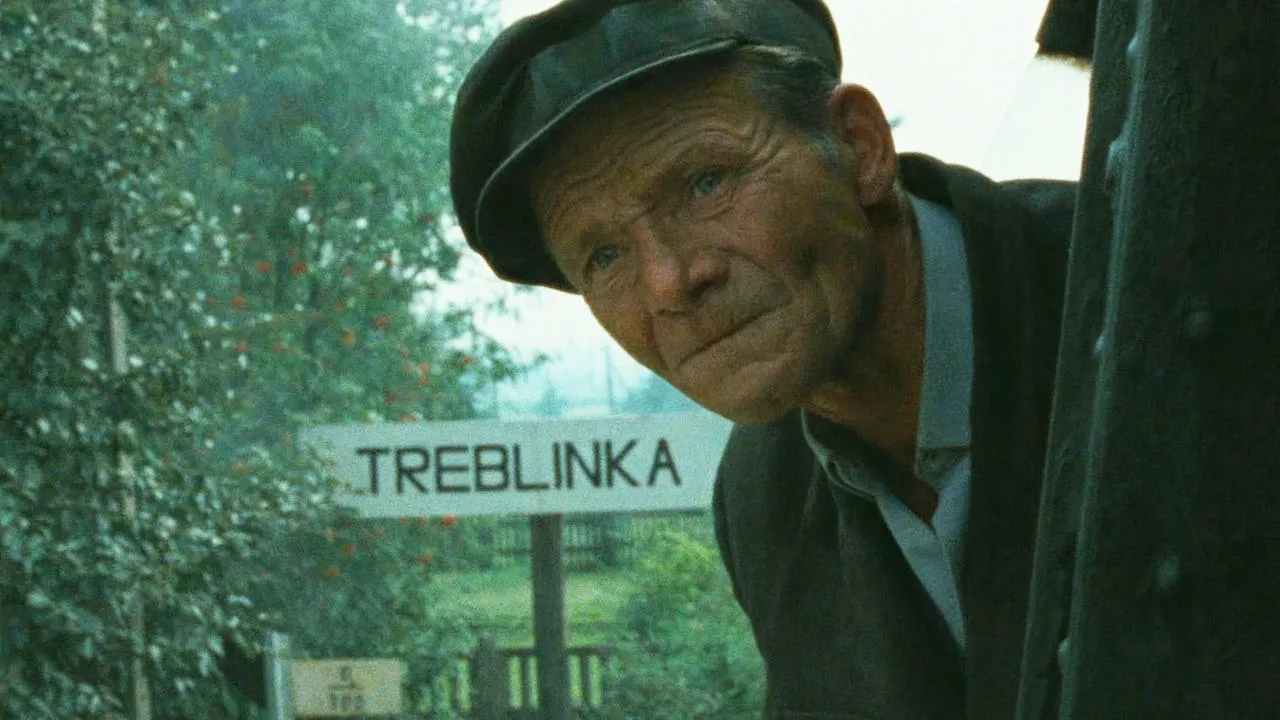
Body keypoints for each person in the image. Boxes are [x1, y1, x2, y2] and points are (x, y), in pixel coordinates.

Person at [449, 0, 1076, 717]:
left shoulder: (1141, 299)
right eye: (604, 255)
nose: (669, 283)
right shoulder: (760, 493)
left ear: (859, 148)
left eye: (706, 183)